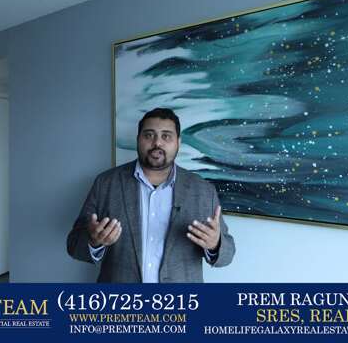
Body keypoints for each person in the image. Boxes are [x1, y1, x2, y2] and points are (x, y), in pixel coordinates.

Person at [67, 108, 235, 282]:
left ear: (178, 142)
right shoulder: (106, 183)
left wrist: (215, 244)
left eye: (166, 136)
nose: (157, 143)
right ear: (138, 139)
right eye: (149, 135)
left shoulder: (203, 190)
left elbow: (227, 254)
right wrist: (94, 241)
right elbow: (74, 246)